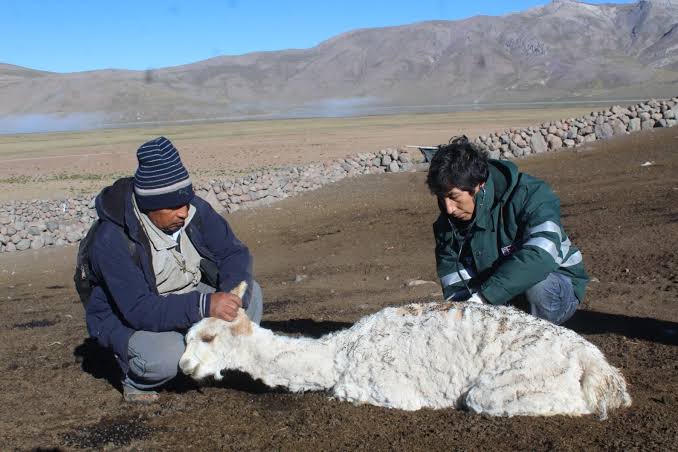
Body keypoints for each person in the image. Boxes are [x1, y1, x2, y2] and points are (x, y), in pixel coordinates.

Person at [85, 136, 263, 403]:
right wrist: (205, 306)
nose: (183, 212)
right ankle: (137, 381)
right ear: (148, 205)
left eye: (185, 202)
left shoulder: (193, 209)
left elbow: (232, 252)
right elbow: (140, 310)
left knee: (250, 291)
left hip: (187, 295)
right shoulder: (111, 239)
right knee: (166, 357)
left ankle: (217, 358)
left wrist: (231, 295)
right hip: (129, 317)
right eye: (172, 206)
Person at [427, 136, 588, 324]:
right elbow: (455, 285)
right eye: (441, 198)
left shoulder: (531, 194)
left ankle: (540, 342)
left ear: (479, 185)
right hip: (497, 297)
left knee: (538, 287)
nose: (448, 208)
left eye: (454, 196)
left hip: (557, 289)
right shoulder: (447, 224)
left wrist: (482, 299)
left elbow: (540, 257)